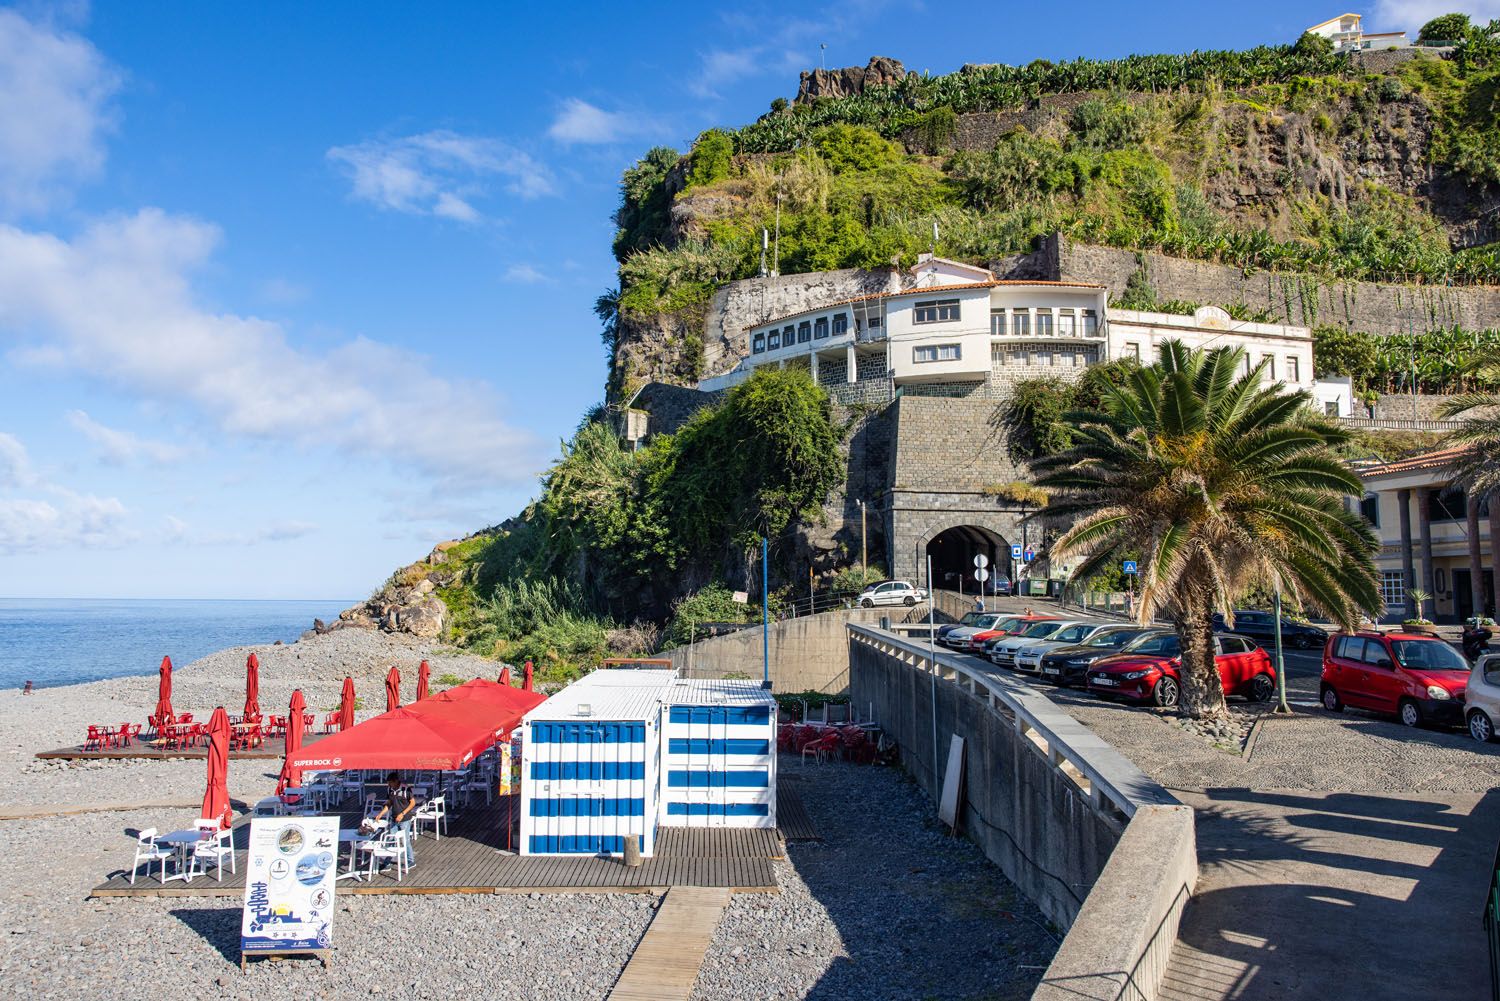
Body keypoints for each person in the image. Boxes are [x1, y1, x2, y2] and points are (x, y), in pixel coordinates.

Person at [373, 772, 416, 868]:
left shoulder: (406, 789)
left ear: (396, 781)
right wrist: (381, 814)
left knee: (405, 840)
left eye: (390, 783)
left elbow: (412, 803)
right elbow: (389, 803)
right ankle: (387, 862)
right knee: (391, 839)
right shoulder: (390, 790)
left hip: (405, 819)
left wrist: (402, 814)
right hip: (394, 818)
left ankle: (410, 860)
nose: (389, 785)